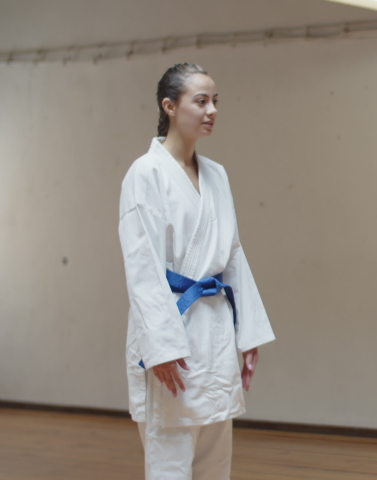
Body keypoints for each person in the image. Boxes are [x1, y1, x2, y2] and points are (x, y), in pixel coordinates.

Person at [118, 63, 275, 479]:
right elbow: (142, 264)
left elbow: (234, 256)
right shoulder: (145, 173)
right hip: (173, 327)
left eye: (215, 102)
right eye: (200, 101)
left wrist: (249, 332)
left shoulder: (217, 175)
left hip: (216, 330)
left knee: (214, 457)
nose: (211, 111)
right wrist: (162, 347)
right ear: (169, 106)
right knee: (170, 456)